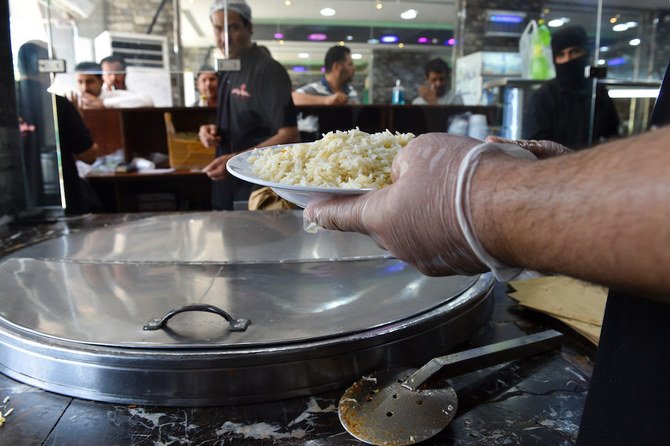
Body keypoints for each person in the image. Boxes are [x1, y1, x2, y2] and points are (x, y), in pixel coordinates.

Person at [198, 0, 299, 210]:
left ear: (249, 28)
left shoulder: (268, 70)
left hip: (257, 190)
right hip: (226, 184)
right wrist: (211, 131)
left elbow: (289, 134)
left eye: (232, 28)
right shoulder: (228, 69)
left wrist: (237, 161)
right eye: (218, 29)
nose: (224, 37)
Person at [16, 41, 101, 215]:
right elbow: (88, 155)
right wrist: (80, 120)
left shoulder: (8, 103)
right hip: (59, 199)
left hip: (17, 203)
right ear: (41, 65)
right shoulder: (58, 104)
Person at [525, 25, 619, 149]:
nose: (567, 59)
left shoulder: (598, 91)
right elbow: (538, 147)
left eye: (574, 52)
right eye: (561, 55)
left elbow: (612, 133)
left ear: (585, 53)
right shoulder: (543, 97)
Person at [292, 45, 359, 105]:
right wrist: (326, 100)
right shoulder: (314, 89)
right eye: (350, 64)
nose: (354, 68)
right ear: (336, 67)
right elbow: (293, 98)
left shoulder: (352, 92)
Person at [72, 61, 153, 109]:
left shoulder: (113, 96)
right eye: (80, 82)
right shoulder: (73, 99)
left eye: (90, 82)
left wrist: (104, 103)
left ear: (101, 81)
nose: (84, 88)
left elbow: (147, 101)